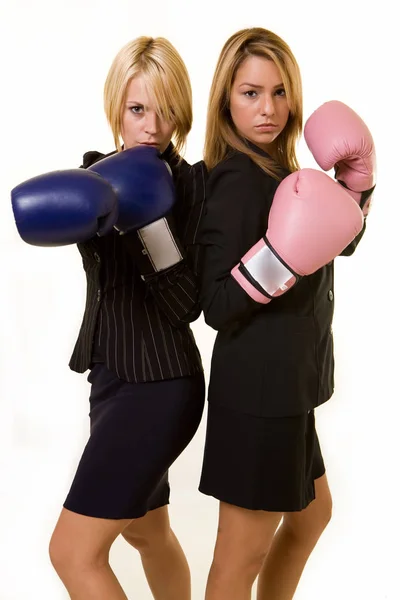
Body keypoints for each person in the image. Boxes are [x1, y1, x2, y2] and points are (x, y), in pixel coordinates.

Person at [11, 36, 207, 600]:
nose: (151, 125)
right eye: (137, 108)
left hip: (161, 382)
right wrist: (106, 201)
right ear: (116, 108)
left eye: (165, 109)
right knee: (149, 532)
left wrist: (151, 223)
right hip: (109, 379)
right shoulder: (94, 175)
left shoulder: (191, 185)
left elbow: (185, 307)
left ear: (181, 113)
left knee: (71, 553)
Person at [197, 27, 375, 600]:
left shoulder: (283, 170)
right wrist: (278, 260)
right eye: (250, 93)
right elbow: (217, 305)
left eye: (279, 92)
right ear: (226, 98)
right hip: (257, 396)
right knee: (237, 558)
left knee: (311, 515)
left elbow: (333, 239)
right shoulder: (233, 179)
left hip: (290, 389)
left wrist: (357, 185)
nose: (268, 109)